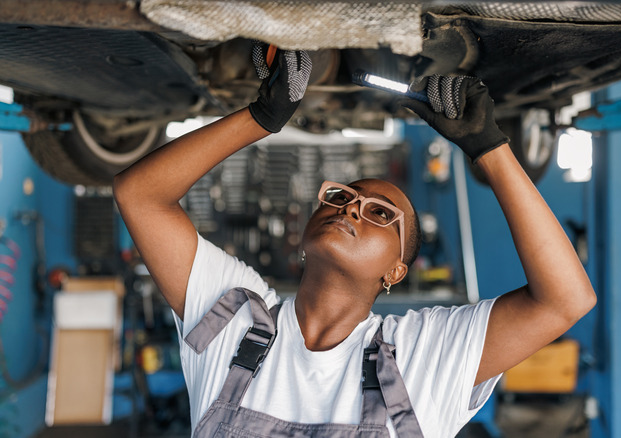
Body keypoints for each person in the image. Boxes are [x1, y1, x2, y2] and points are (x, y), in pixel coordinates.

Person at [114, 47, 596, 438]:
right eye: (341, 197)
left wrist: (490, 149)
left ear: (395, 272)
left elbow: (566, 300)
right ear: (305, 235)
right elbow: (139, 197)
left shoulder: (418, 356)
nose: (351, 208)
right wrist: (260, 119)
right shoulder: (236, 318)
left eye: (380, 214)